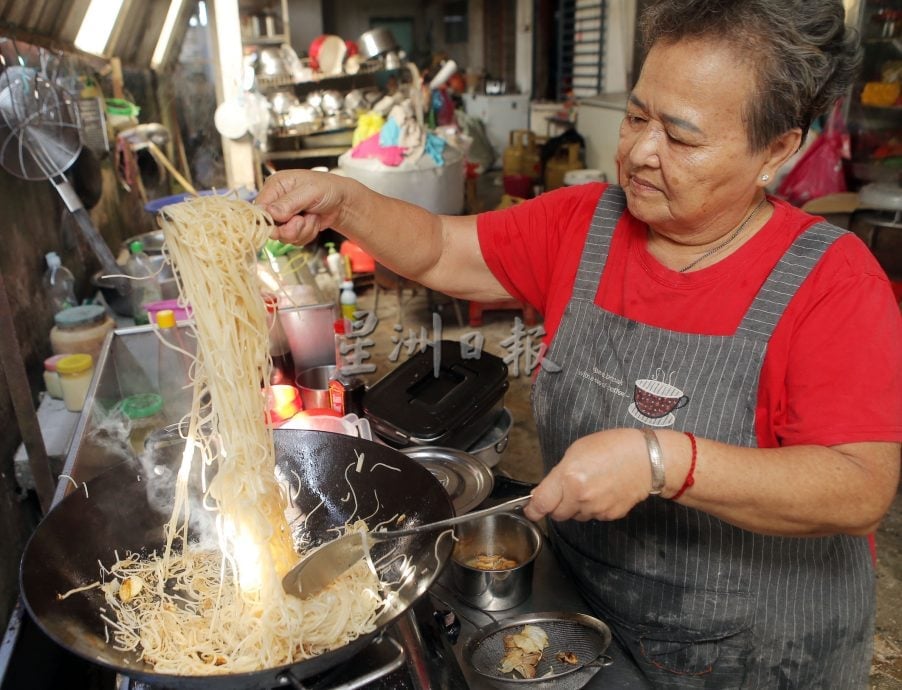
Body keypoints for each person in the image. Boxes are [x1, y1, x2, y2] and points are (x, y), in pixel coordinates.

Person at [257, 0, 901, 685]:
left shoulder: (831, 280)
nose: (641, 153)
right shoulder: (586, 224)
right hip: (588, 624)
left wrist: (662, 460)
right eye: (636, 116)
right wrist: (343, 201)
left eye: (680, 138)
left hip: (764, 656)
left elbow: (858, 485)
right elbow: (444, 248)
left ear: (776, 150)